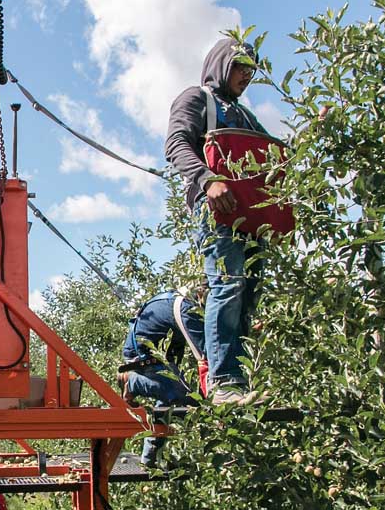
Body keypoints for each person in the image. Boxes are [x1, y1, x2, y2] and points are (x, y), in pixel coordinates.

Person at [164, 36, 268, 405]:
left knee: (248, 295)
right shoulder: (198, 99)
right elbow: (176, 143)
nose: (247, 76)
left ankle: (240, 379)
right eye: (241, 67)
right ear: (223, 63)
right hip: (218, 214)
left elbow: (270, 160)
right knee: (227, 285)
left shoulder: (245, 117)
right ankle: (223, 381)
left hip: (252, 218)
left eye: (252, 70)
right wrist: (209, 180)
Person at [117, 290, 206, 466]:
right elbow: (206, 354)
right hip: (143, 356)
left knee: (166, 403)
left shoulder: (175, 302)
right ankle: (132, 381)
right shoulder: (188, 311)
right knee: (182, 395)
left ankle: (149, 457)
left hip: (156, 356)